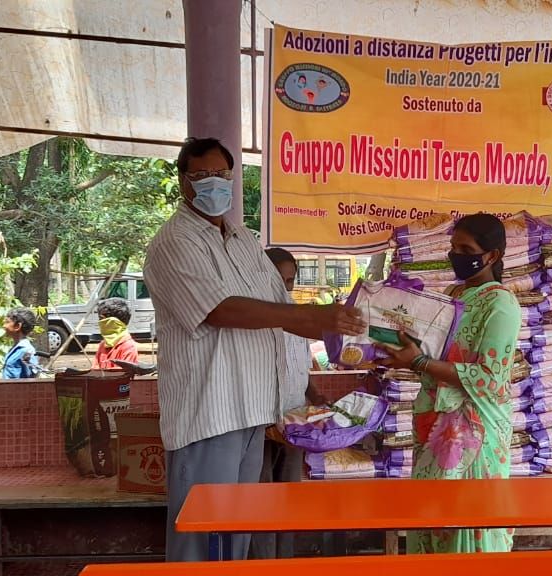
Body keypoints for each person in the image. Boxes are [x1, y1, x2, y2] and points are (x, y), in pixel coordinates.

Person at [143, 137, 364, 562]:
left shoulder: (243, 238)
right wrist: (311, 317)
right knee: (201, 539)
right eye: (202, 175)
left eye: (221, 174)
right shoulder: (174, 242)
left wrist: (343, 325)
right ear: (183, 181)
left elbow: (280, 308)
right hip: (209, 415)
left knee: (236, 535)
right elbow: (220, 310)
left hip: (251, 414)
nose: (213, 183)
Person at [378, 213, 522, 554]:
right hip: (433, 422)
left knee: (465, 524)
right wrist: (404, 352)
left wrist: (419, 362)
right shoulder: (453, 294)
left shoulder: (501, 304)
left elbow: (489, 378)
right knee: (431, 518)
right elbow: (436, 356)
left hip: (473, 431)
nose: (456, 255)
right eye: (454, 247)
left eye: (466, 249)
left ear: (492, 256)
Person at [250, 247, 321, 560]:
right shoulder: (251, 316)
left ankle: (286, 560)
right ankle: (264, 563)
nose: (285, 287)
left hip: (294, 421)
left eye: (290, 280)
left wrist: (316, 396)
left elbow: (299, 366)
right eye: (279, 279)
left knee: (289, 496)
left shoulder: (297, 316)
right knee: (262, 498)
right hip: (261, 423)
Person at [93, 297, 139, 369]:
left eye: (101, 319)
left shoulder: (128, 346)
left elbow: (123, 373)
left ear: (113, 322)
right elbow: (95, 369)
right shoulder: (103, 345)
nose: (99, 323)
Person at [2, 307, 41, 379]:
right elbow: (7, 378)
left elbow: (32, 379)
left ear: (17, 326)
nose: (4, 326)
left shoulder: (26, 351)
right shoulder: (15, 349)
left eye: (7, 322)